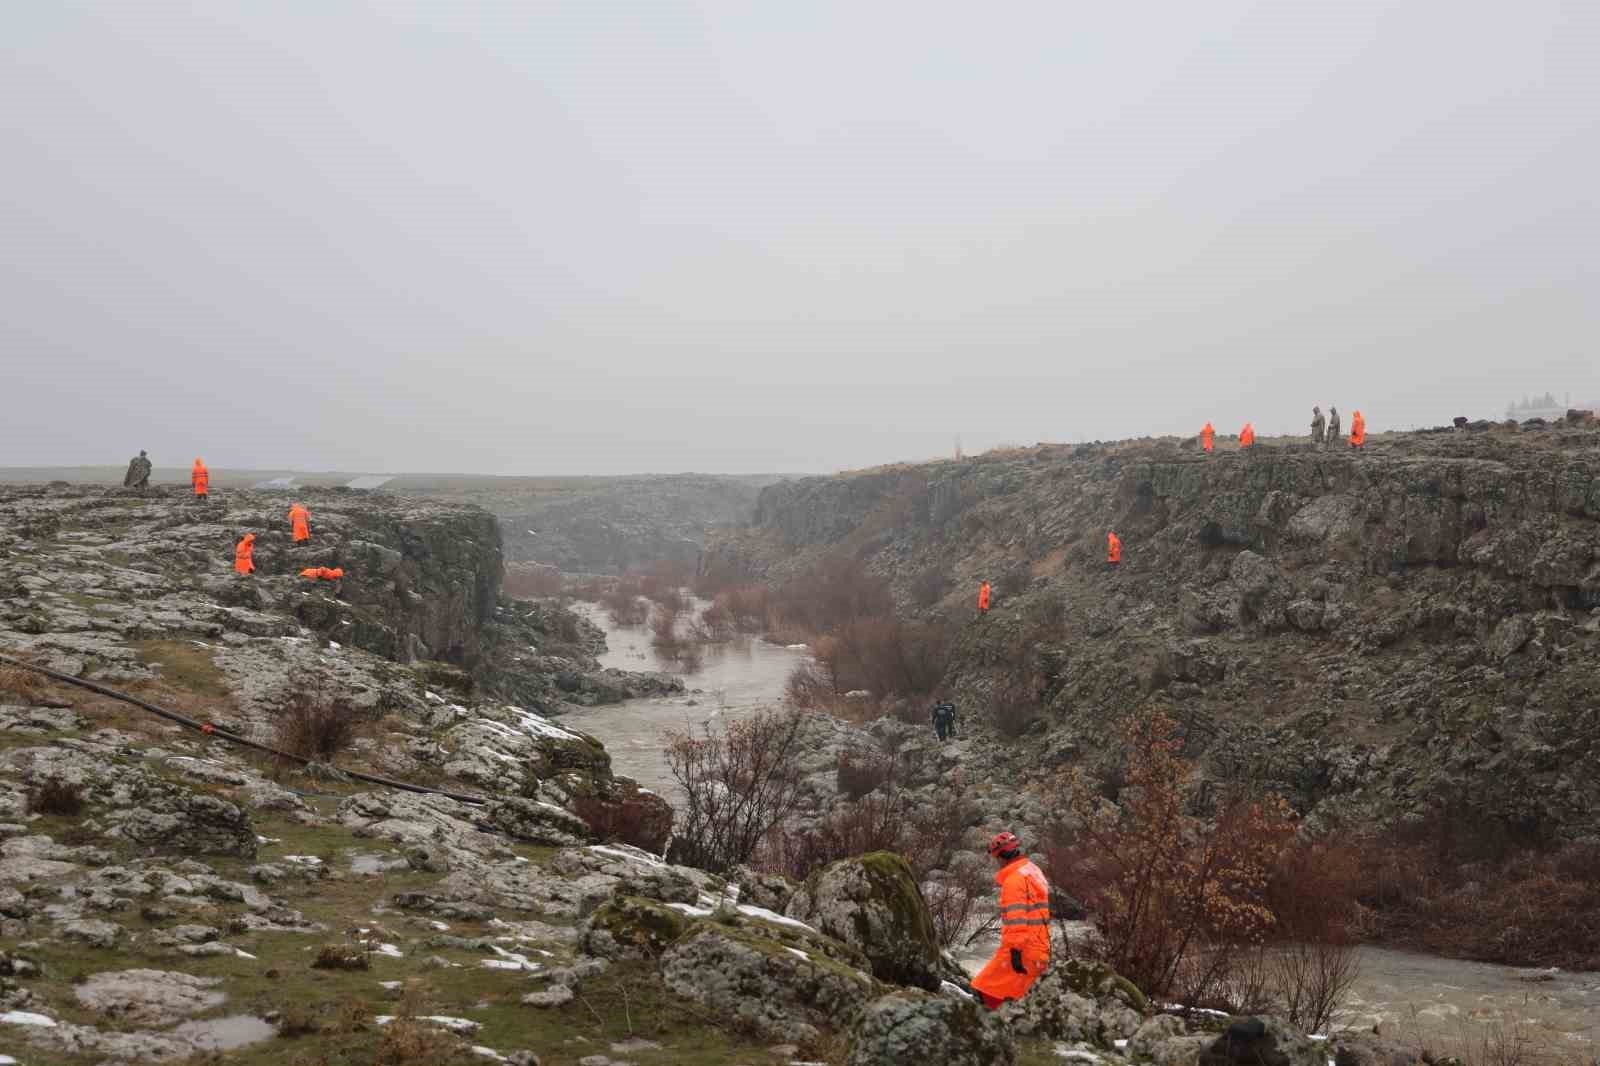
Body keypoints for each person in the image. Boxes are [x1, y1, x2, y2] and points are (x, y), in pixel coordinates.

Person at [971, 831, 1050, 1009]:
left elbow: (1016, 921)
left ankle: (995, 1031)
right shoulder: (1034, 872)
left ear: (1002, 857)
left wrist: (1015, 952)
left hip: (1021, 951)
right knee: (1020, 1000)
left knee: (982, 988)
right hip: (1040, 950)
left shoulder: (1014, 881)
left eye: (996, 858)